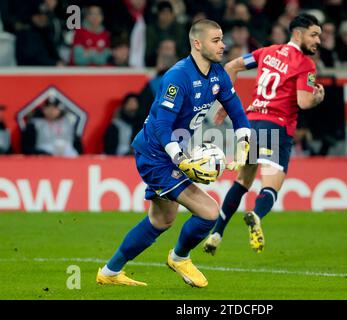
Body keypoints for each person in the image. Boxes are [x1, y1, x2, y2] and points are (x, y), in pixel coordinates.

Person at [96, 19, 251, 288]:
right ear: (197, 43)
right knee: (209, 212)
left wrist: (243, 142)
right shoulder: (178, 76)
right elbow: (161, 125)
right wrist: (181, 159)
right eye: (216, 40)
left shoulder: (218, 74)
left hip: (172, 152)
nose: (223, 45)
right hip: (156, 153)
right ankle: (180, 257)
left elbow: (237, 112)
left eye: (222, 39)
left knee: (161, 219)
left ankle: (109, 273)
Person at [203, 13, 325, 255]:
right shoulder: (306, 65)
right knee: (271, 185)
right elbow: (303, 101)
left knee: (242, 181)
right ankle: (256, 215)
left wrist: (227, 103)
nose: (318, 41)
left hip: (251, 124)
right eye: (314, 35)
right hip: (275, 126)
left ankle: (216, 233)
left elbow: (231, 66)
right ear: (298, 34)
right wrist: (318, 97)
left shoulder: (266, 52)